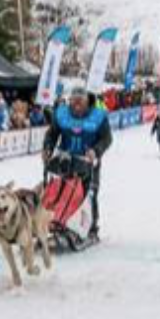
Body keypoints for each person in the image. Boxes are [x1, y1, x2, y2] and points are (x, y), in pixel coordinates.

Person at [42, 86, 113, 241]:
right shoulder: (61, 113)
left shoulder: (99, 116)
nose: (77, 107)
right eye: (74, 102)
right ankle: (58, 220)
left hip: (88, 161)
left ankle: (92, 228)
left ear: (87, 102)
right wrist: (48, 148)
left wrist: (96, 151)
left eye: (80, 103)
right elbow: (52, 134)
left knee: (89, 194)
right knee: (61, 190)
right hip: (65, 158)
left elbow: (107, 138)